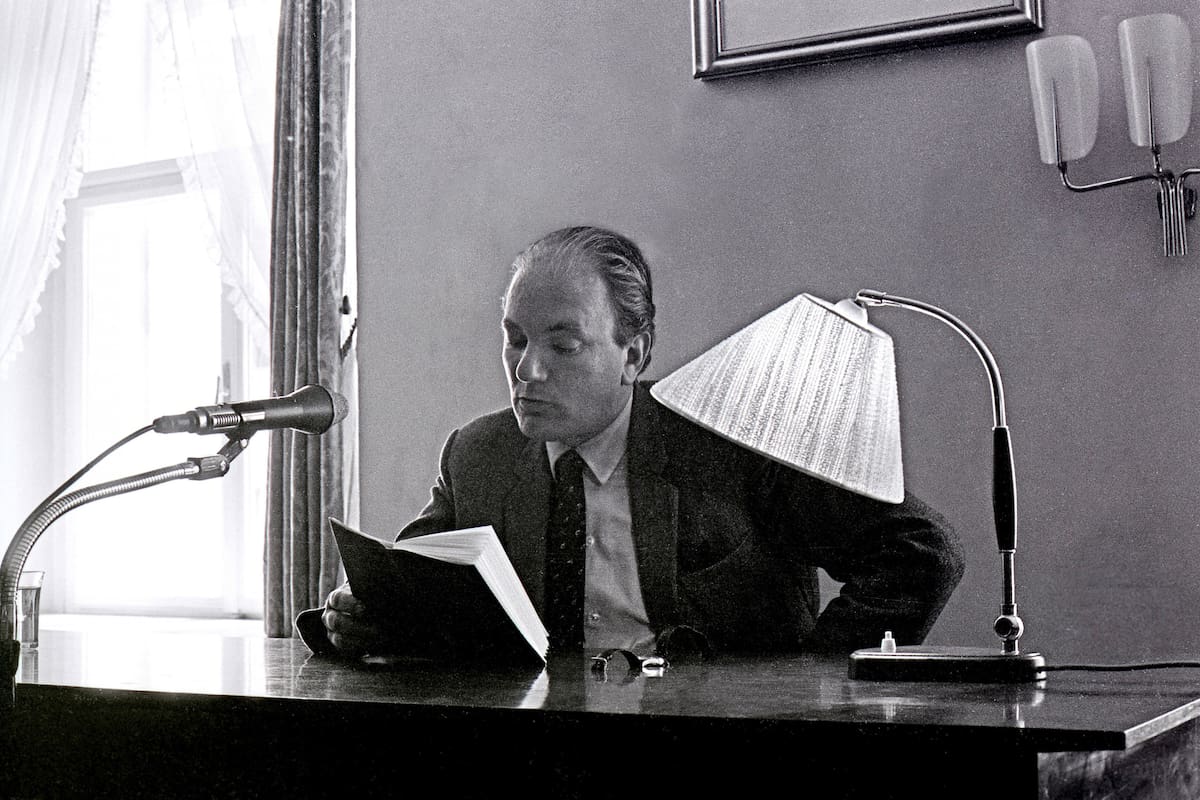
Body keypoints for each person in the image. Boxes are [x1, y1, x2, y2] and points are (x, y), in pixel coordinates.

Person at [297, 225, 964, 659]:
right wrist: (361, 621)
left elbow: (920, 550)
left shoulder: (731, 440)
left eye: (563, 344)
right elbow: (411, 591)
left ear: (633, 353)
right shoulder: (478, 455)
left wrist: (814, 686)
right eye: (516, 338)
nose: (527, 369)